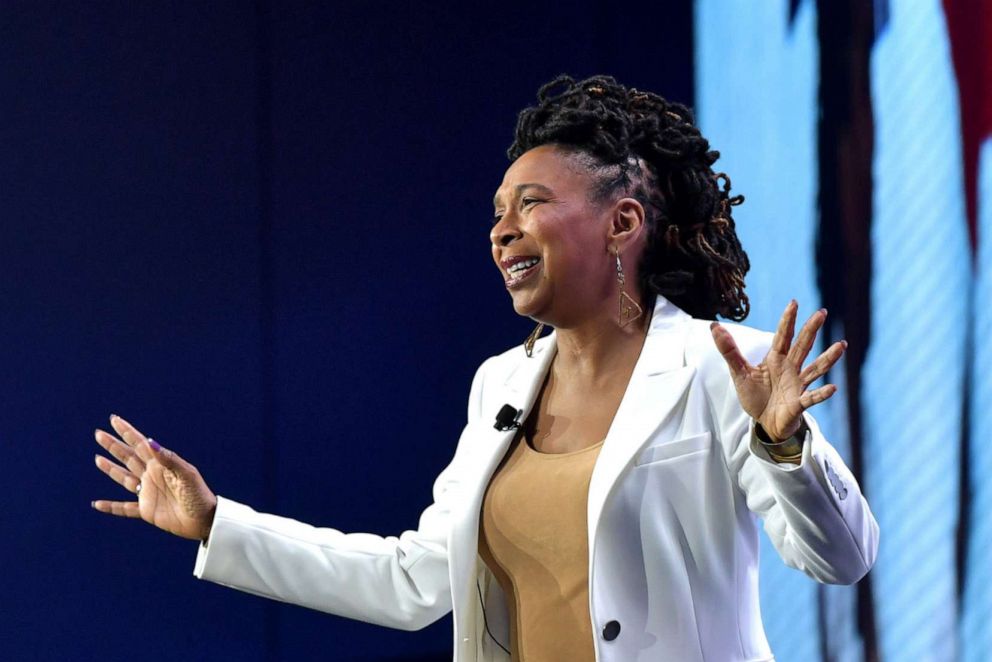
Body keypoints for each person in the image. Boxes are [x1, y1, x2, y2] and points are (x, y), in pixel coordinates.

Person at [92, 74, 879, 662]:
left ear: (622, 224)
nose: (502, 232)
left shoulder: (718, 368)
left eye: (530, 203)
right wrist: (216, 523)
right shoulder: (499, 386)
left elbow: (841, 558)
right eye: (497, 212)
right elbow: (412, 582)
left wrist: (785, 445)